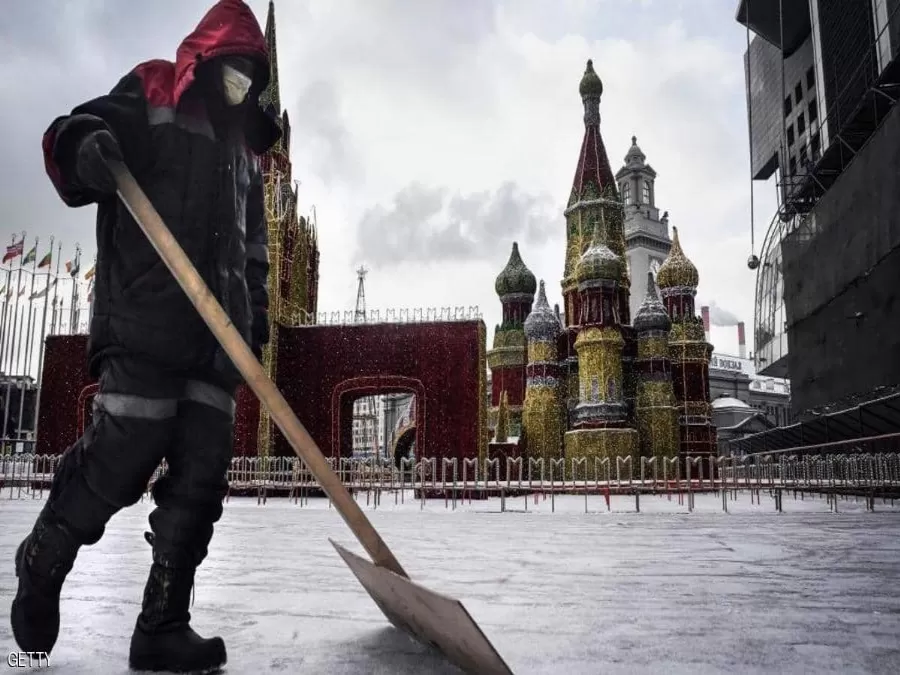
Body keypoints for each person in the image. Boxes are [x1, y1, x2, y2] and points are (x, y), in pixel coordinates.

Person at [11, 1, 281, 671]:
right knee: (122, 455)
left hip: (216, 343)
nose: (240, 89)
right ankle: (45, 554)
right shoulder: (155, 91)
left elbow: (254, 242)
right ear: (210, 61)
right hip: (148, 321)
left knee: (201, 477)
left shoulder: (244, 151)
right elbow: (68, 132)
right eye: (233, 74)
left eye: (253, 79)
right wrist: (83, 149)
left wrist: (256, 310)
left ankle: (162, 622)